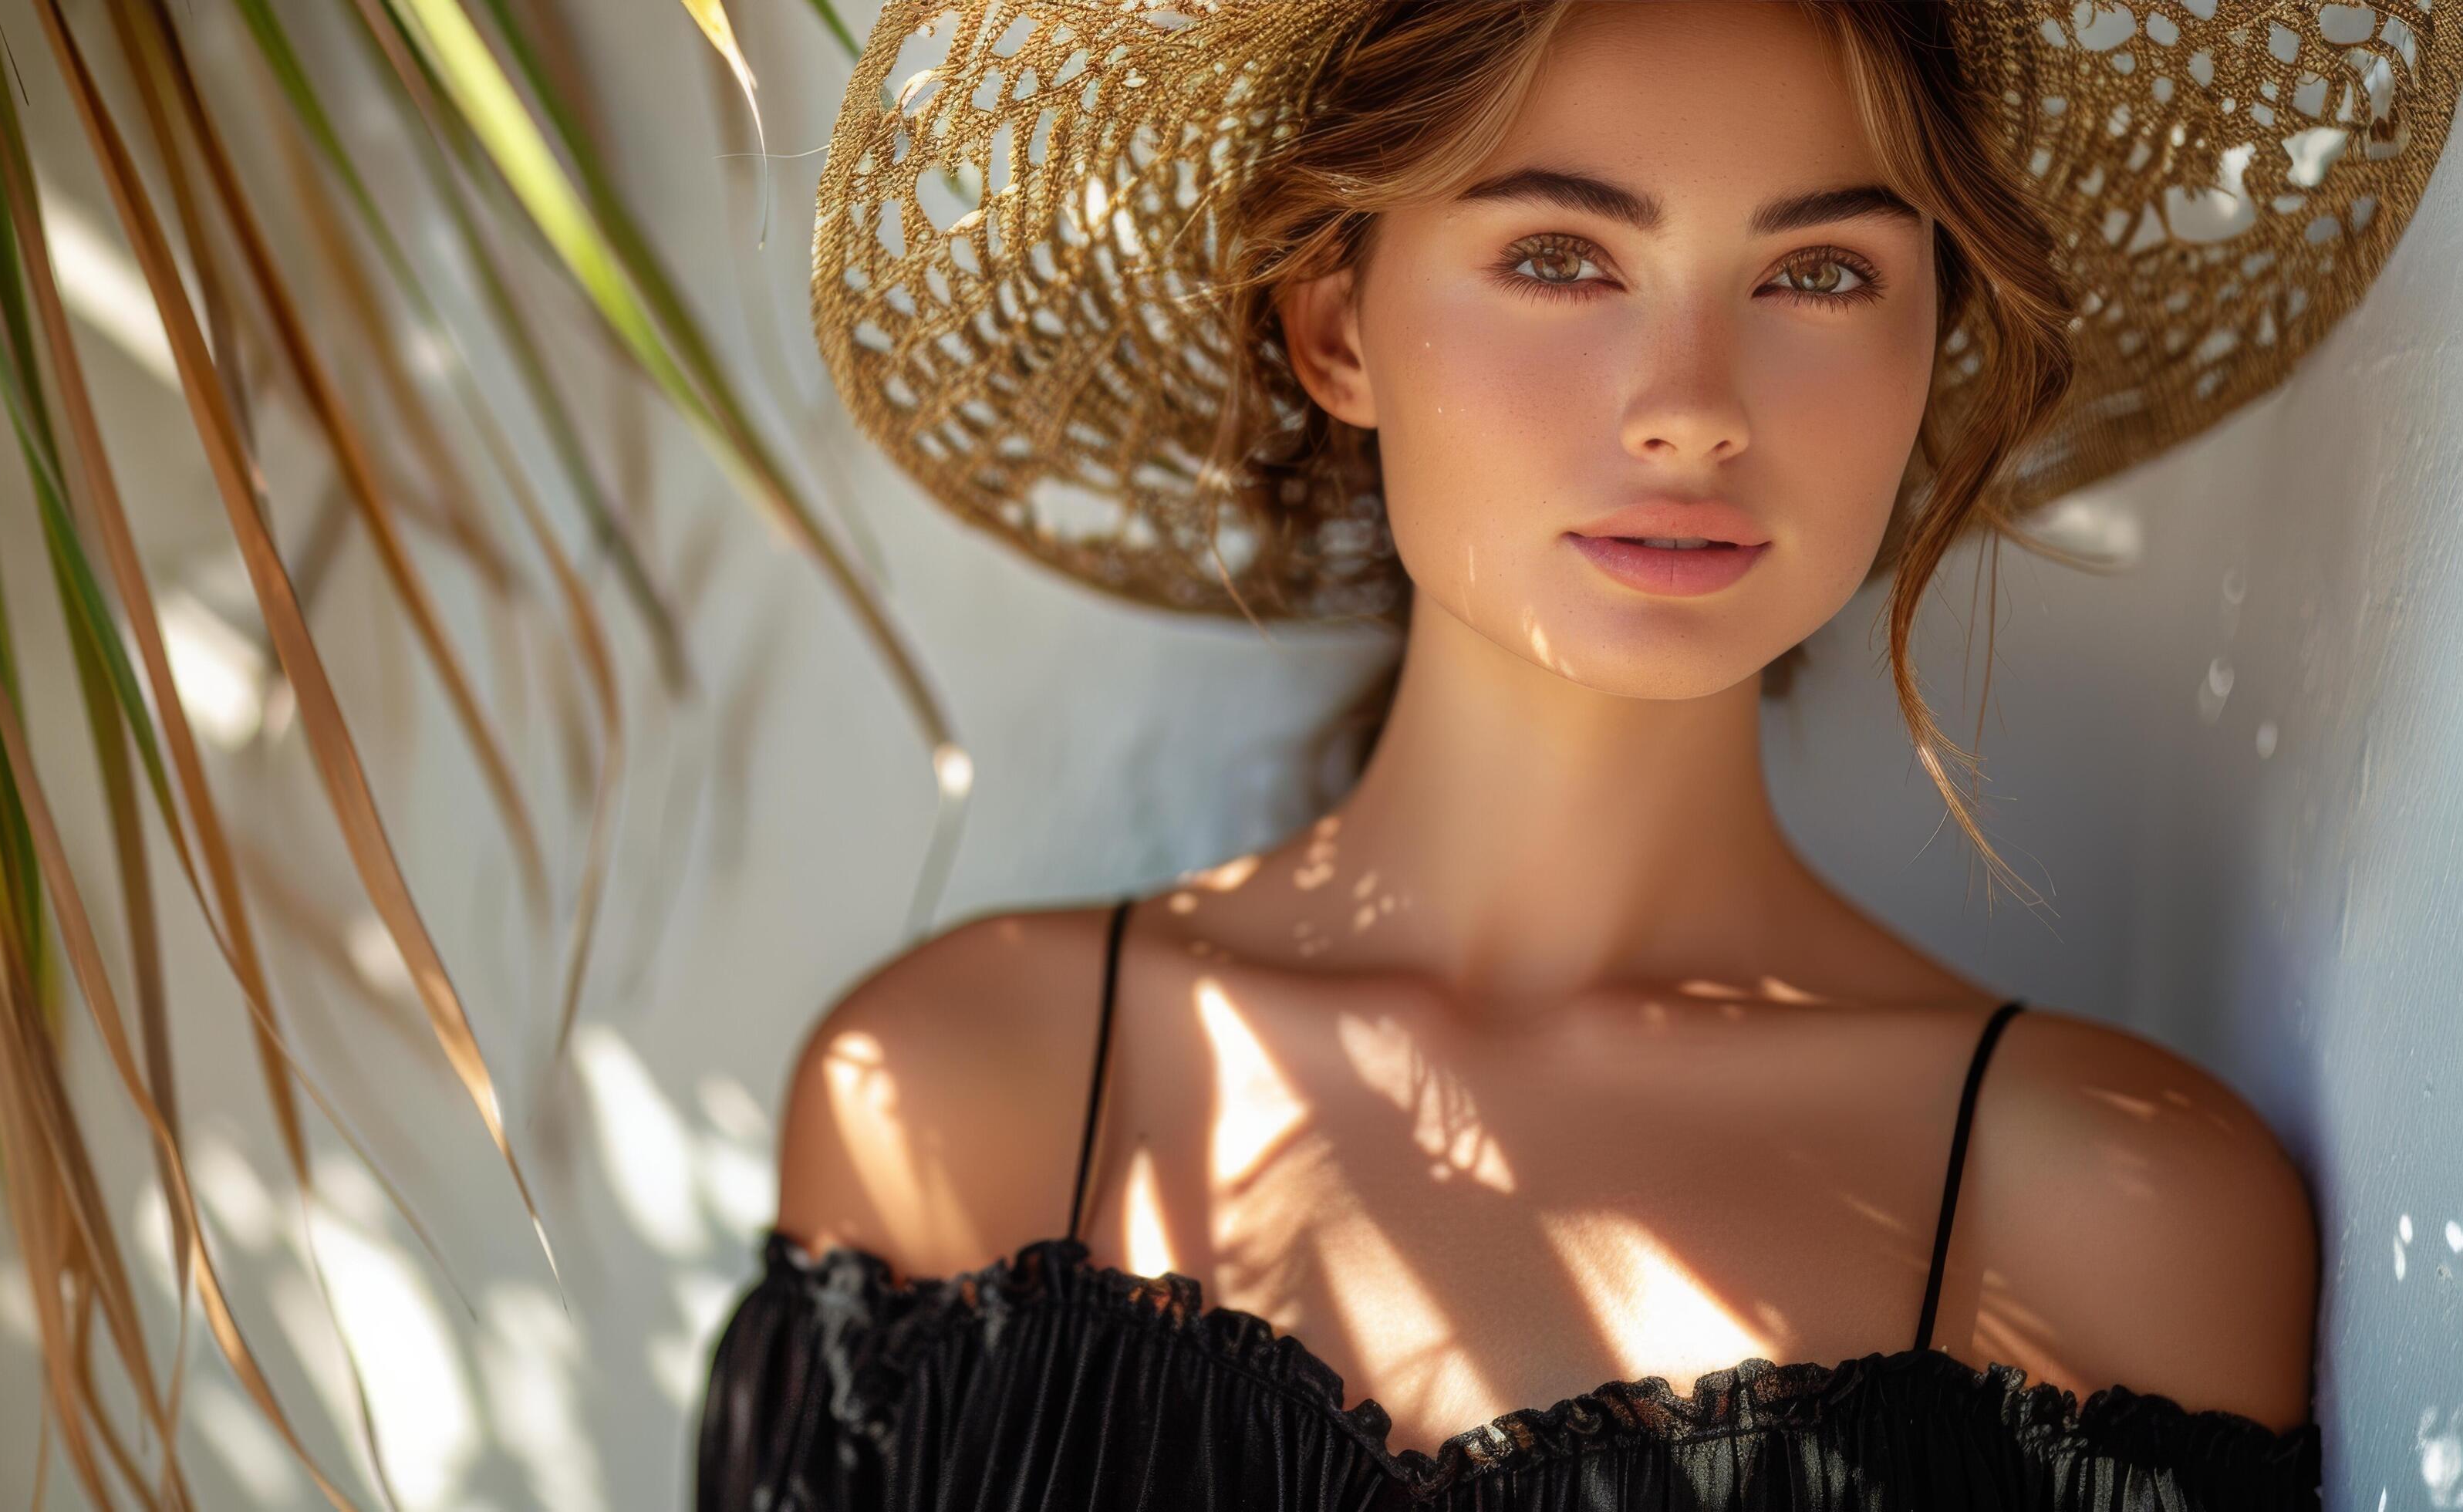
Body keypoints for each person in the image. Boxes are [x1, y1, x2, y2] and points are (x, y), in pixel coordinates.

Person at [699, 1, 2458, 1507]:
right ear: (1336, 327)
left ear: (1937, 349)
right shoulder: (956, 1099)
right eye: (1561, 254)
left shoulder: (2109, 1209)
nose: (1691, 398)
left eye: (1821, 271)